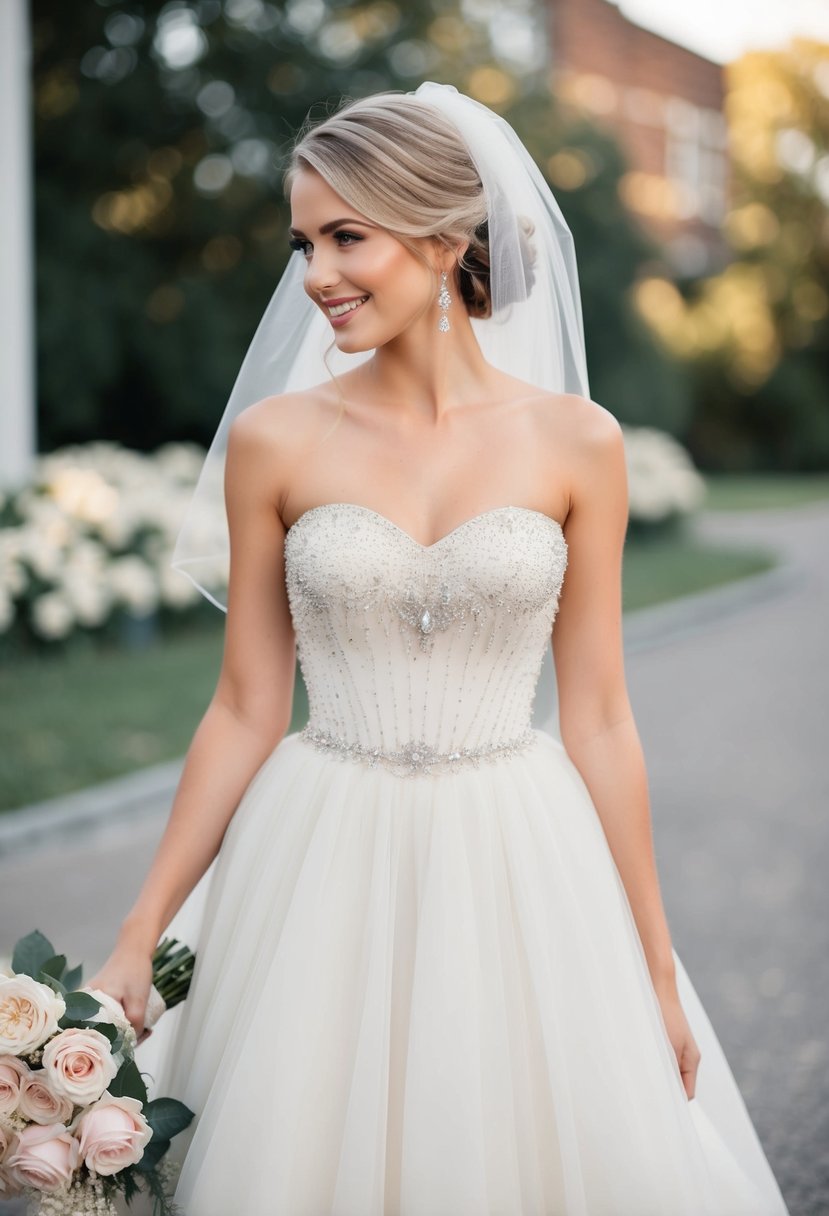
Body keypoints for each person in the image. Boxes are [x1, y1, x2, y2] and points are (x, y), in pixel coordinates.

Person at [87, 83, 789, 1214]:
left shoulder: (578, 442)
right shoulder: (275, 442)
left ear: (445, 237)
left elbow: (600, 714)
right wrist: (136, 934)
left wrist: (652, 970)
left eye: (346, 236)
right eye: (304, 241)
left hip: (517, 847)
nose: (316, 274)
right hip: (314, 845)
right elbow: (243, 709)